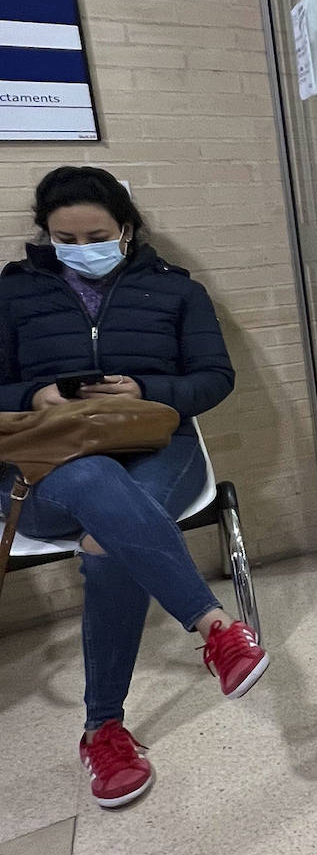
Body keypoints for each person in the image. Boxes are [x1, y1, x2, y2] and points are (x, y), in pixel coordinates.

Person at [0, 166, 269, 809]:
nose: (81, 246)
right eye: (66, 238)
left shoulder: (176, 290)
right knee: (92, 482)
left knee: (105, 540)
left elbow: (213, 378)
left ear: (126, 229)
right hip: (44, 464)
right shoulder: (11, 294)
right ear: (45, 235)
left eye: (96, 233)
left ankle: (103, 731)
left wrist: (145, 390)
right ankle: (215, 629)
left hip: (157, 448)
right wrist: (33, 394)